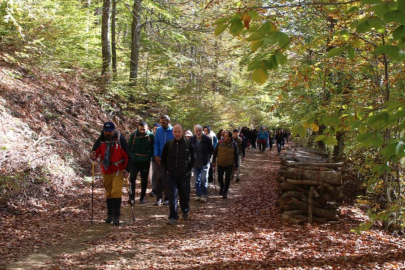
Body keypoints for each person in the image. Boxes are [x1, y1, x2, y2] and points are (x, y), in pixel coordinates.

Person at [90, 122, 131, 226]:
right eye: (106, 131)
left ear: (114, 130)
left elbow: (128, 155)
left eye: (110, 131)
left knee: (116, 191)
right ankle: (110, 215)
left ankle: (116, 216)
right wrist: (93, 154)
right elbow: (95, 152)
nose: (107, 133)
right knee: (108, 192)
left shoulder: (120, 139)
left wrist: (127, 169)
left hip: (118, 169)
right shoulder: (101, 139)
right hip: (106, 169)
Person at [161, 124, 196, 225]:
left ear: (182, 132)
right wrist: (167, 169)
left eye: (179, 132)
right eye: (175, 132)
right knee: (172, 196)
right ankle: (173, 216)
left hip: (184, 176)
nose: (177, 134)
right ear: (173, 133)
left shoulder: (189, 144)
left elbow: (194, 159)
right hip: (171, 175)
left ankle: (185, 209)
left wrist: (187, 170)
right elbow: (163, 159)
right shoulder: (168, 144)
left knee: (184, 196)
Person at [128, 121, 154, 205]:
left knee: (144, 180)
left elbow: (154, 148)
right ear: (138, 128)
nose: (142, 131)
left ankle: (142, 198)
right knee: (132, 178)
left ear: (147, 128)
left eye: (144, 129)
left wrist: (148, 157)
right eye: (141, 129)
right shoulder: (134, 135)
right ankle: (132, 198)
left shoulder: (151, 136)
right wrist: (133, 157)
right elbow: (129, 148)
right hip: (135, 161)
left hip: (145, 161)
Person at [212, 131, 239, 199]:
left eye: (226, 136)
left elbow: (236, 155)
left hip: (229, 164)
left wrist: (236, 165)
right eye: (224, 136)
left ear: (230, 137)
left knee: (227, 178)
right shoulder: (220, 143)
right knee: (219, 179)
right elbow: (215, 152)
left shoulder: (234, 145)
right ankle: (222, 187)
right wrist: (213, 161)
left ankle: (225, 192)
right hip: (220, 164)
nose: (224, 137)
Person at [154, 115, 174, 206]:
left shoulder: (173, 131)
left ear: (168, 122)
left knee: (168, 178)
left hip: (170, 159)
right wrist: (156, 155)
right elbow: (156, 143)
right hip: (160, 158)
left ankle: (167, 197)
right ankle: (158, 198)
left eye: (163, 122)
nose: (161, 124)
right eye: (160, 122)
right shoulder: (158, 130)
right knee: (159, 177)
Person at [191, 125, 214, 202]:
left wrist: (208, 157)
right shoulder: (192, 139)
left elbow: (211, 150)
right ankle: (198, 194)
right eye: (196, 131)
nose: (198, 132)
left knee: (203, 179)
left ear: (202, 131)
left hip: (204, 162)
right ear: (194, 131)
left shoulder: (207, 139)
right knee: (197, 180)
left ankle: (203, 194)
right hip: (195, 163)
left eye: (200, 130)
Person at [149, 123, 160, 197]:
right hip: (153, 158)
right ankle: (154, 189)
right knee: (154, 173)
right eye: (155, 128)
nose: (156, 130)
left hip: (162, 157)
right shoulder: (150, 136)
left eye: (157, 128)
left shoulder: (161, 136)